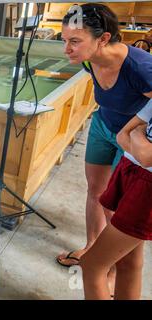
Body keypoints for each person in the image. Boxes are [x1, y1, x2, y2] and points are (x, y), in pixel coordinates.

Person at [57, 3, 152, 273]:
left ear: (104, 38)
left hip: (132, 139)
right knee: (96, 191)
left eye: (75, 41)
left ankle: (109, 268)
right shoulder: (89, 60)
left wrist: (137, 134)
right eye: (65, 41)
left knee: (119, 207)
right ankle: (91, 248)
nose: (67, 49)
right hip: (102, 124)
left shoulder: (140, 67)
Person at [80, 99, 152, 300]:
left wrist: (138, 135)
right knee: (127, 261)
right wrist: (139, 140)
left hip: (146, 190)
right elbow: (122, 136)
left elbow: (146, 156)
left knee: (92, 266)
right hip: (130, 172)